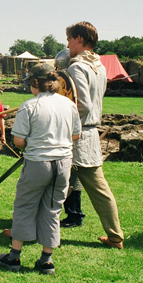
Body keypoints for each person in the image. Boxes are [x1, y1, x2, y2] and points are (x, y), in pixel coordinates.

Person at [0, 63, 81, 275]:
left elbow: (19, 141)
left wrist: (38, 143)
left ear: (36, 82)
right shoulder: (68, 104)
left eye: (30, 84)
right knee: (53, 209)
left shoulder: (29, 106)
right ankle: (46, 261)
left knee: (25, 205)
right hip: (63, 163)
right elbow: (76, 135)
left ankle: (14, 257)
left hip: (38, 163)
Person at [65, 21, 124, 249]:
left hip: (76, 136)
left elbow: (83, 106)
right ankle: (115, 237)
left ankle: (24, 231)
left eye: (69, 39)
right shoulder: (98, 66)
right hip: (87, 134)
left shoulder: (78, 67)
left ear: (79, 39)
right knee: (53, 185)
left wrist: (60, 124)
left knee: (43, 183)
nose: (68, 43)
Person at [54, 48, 87, 228]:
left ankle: (74, 215)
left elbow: (80, 105)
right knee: (71, 175)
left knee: (73, 175)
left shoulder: (71, 79)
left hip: (74, 131)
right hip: (75, 130)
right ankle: (71, 213)